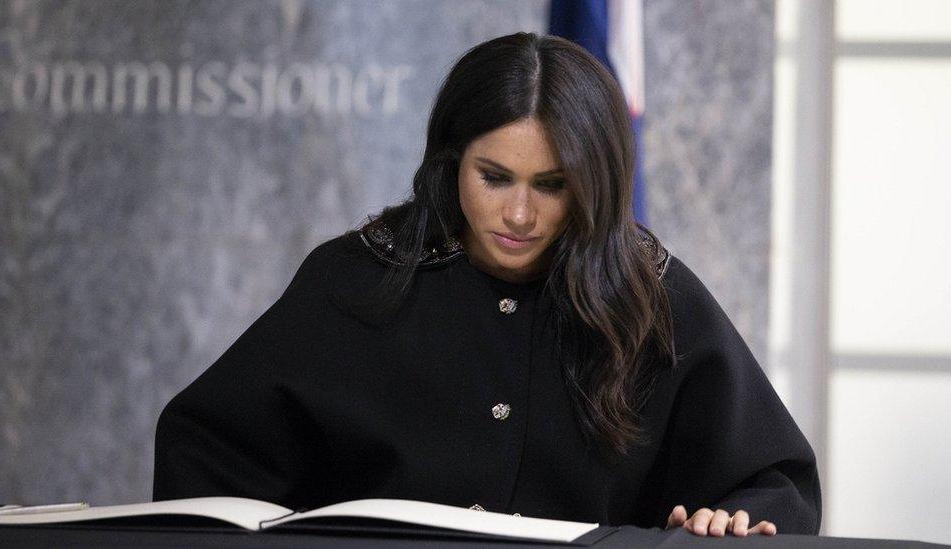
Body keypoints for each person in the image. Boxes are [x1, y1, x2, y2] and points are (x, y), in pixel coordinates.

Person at [152, 32, 821, 538]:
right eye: (494, 177)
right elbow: (207, 456)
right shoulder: (357, 278)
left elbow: (773, 484)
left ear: (595, 183)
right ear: (451, 163)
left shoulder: (652, 297)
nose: (520, 215)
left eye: (552, 185)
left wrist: (730, 522)